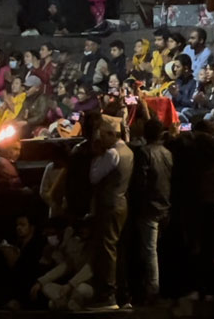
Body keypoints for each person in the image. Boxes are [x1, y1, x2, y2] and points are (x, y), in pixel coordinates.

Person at [88, 117, 134, 310]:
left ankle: (108, 296)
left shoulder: (112, 154)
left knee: (107, 249)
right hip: (122, 203)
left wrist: (97, 157)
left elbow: (94, 177)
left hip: (109, 205)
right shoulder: (128, 152)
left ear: (110, 134)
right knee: (117, 248)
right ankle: (122, 294)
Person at [130, 118, 172, 302]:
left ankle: (152, 289)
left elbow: (141, 182)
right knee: (156, 249)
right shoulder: (167, 153)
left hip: (149, 207)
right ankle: (157, 286)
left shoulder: (144, 153)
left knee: (149, 250)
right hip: (164, 204)